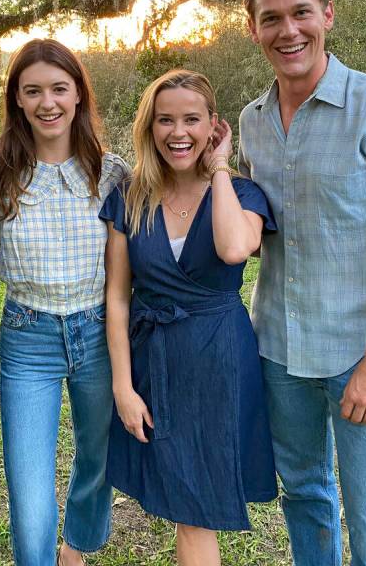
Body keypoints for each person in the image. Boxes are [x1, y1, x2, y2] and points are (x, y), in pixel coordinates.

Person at [239, 0, 366, 565]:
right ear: (253, 29)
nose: (288, 31)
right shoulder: (252, 121)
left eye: (301, 13)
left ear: (328, 14)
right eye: (271, 18)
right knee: (306, 499)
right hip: (279, 351)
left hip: (361, 352)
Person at [100, 69, 277, 566]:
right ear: (149, 126)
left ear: (213, 125)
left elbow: (235, 247)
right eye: (165, 120)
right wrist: (123, 387)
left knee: (194, 505)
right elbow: (118, 297)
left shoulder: (242, 194)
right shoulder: (130, 197)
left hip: (218, 359)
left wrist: (219, 168)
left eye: (192, 120)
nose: (178, 133)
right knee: (186, 503)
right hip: (153, 359)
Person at [0, 38, 129, 566]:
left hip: (98, 332)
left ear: (78, 94)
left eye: (59, 89)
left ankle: (77, 546)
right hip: (28, 337)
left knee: (99, 456)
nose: (48, 103)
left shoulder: (110, 172)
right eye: (33, 91)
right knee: (29, 490)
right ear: (17, 100)